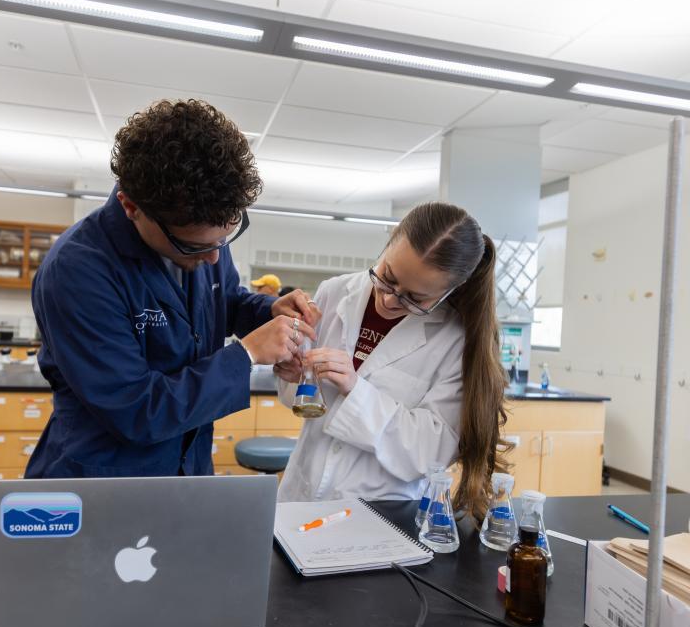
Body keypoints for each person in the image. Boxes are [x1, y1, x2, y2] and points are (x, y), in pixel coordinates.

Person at [27, 99, 318, 479]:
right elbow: (137, 410)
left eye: (225, 239)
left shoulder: (204, 236)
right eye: (196, 247)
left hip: (188, 467)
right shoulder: (77, 270)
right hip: (108, 479)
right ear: (131, 206)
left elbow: (223, 301)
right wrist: (246, 354)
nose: (214, 258)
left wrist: (267, 312)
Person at [274, 202, 510, 521]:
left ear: (448, 291)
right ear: (388, 244)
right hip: (300, 496)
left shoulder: (454, 340)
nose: (388, 299)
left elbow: (433, 450)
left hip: (382, 513)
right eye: (387, 277)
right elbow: (300, 401)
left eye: (414, 298)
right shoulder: (334, 292)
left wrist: (355, 389)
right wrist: (292, 373)